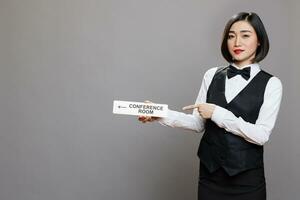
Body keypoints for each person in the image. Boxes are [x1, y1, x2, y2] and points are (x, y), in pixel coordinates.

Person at [138, 12, 282, 200]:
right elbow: (198, 123)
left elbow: (261, 135)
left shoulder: (272, 84)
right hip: (210, 177)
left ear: (259, 40)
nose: (237, 42)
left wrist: (218, 113)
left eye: (245, 35)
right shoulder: (211, 75)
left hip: (247, 181)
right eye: (231, 36)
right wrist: (160, 113)